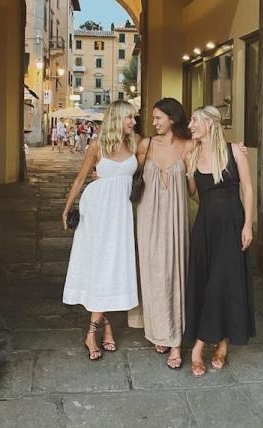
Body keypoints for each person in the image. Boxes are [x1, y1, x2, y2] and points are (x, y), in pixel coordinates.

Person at [62, 100, 140, 361]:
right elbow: (80, 178)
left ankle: (101, 327)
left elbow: (169, 147)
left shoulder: (136, 144)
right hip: (96, 213)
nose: (133, 122)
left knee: (111, 268)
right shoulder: (97, 146)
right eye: (129, 118)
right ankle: (95, 331)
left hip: (121, 216)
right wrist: (67, 208)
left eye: (134, 118)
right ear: (117, 118)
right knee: (99, 267)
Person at [183, 105, 256, 378]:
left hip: (232, 224)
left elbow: (247, 188)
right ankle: (221, 343)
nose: (190, 125)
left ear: (210, 124)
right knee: (208, 282)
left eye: (194, 120)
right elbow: (192, 192)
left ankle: (199, 347)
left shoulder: (235, 151)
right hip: (204, 227)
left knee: (222, 283)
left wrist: (248, 224)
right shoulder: (192, 152)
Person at [130, 98, 191, 369]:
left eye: (158, 118)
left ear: (173, 119)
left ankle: (175, 341)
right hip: (148, 219)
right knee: (153, 273)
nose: (153, 122)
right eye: (153, 118)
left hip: (176, 220)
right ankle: (158, 330)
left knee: (176, 273)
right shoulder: (146, 145)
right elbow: (127, 173)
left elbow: (192, 189)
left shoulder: (188, 147)